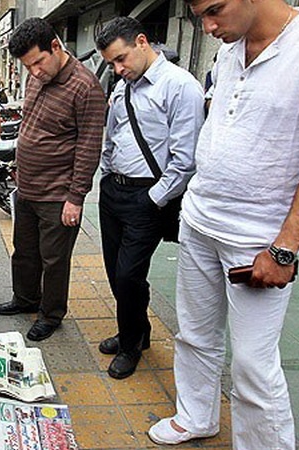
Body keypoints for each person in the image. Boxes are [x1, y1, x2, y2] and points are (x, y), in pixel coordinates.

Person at [147, 1, 299, 448]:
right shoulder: (230, 46)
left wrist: (284, 249)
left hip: (260, 237)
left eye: (215, 10)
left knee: (253, 363)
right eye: (199, 16)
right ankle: (196, 415)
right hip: (200, 218)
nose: (209, 26)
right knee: (194, 333)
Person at [94, 17, 204, 379]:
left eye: (121, 59)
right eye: (111, 63)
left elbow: (185, 159)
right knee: (115, 273)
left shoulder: (179, 86)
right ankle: (136, 332)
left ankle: (130, 347)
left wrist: (153, 199)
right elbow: (113, 136)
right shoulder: (122, 86)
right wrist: (107, 175)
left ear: (142, 42)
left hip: (149, 196)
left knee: (129, 275)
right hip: (114, 191)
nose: (118, 68)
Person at [0, 17, 105, 341]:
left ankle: (51, 314)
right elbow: (32, 127)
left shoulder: (85, 87)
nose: (35, 72)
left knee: (53, 260)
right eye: (29, 66)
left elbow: (88, 146)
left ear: (55, 46)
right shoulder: (36, 77)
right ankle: (25, 299)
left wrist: (76, 197)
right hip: (26, 186)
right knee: (24, 250)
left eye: (39, 62)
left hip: (58, 194)